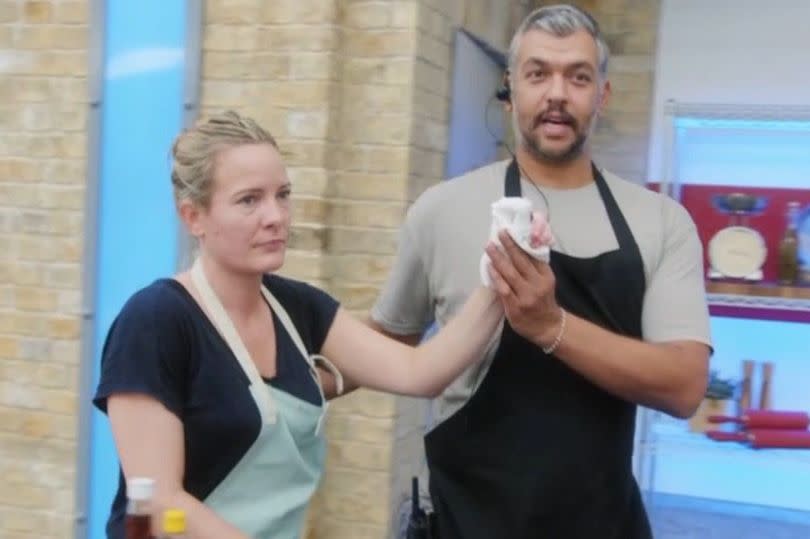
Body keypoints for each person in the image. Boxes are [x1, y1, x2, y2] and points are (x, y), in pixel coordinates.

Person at [92, 110, 551, 539]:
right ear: (193, 216)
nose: (276, 217)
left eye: (282, 195)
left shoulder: (299, 309)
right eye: (249, 200)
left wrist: (500, 277)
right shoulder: (156, 322)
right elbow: (160, 505)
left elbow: (420, 372)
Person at [371, 5, 712, 539]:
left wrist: (552, 327)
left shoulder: (661, 222)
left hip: (601, 523)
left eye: (578, 76)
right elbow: (384, 343)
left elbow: (685, 384)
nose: (557, 93)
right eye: (538, 74)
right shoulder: (440, 210)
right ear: (510, 88)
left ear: (603, 94)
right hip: (466, 521)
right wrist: (279, 357)